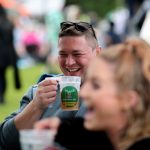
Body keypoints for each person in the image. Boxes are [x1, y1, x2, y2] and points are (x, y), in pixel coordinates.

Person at [35, 38, 150, 150]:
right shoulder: (101, 139)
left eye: (96, 85)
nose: (83, 93)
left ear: (128, 100)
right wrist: (59, 128)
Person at [0, 21, 100, 150]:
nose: (69, 62)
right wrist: (36, 106)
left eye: (77, 54)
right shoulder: (41, 91)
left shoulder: (112, 96)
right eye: (63, 54)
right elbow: (5, 141)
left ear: (97, 53)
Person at [0, 4, 21, 104]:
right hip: (7, 54)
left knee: (2, 76)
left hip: (2, 54)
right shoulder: (8, 22)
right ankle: (2, 96)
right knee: (3, 75)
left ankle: (1, 96)